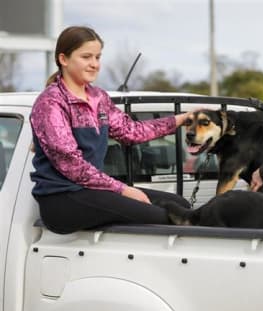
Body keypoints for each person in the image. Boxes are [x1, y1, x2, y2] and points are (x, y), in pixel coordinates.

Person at [30, 26, 193, 234]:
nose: (94, 64)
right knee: (163, 217)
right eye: (86, 57)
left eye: (98, 57)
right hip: (62, 199)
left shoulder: (98, 97)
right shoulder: (51, 102)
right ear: (64, 59)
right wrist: (123, 189)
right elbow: (72, 165)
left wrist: (180, 120)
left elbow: (130, 131)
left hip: (92, 191)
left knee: (180, 205)